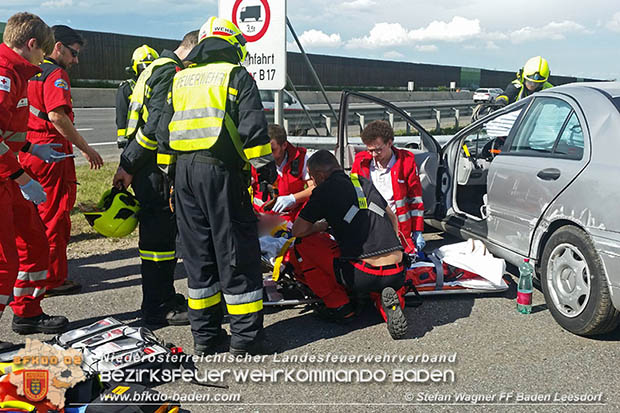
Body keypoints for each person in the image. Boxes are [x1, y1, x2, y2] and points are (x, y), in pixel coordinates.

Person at [156, 17, 276, 355]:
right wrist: (265, 172)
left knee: (198, 256)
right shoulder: (236, 76)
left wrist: (170, 175)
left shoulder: (180, 79)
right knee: (235, 251)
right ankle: (246, 340)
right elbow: (253, 130)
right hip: (221, 174)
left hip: (183, 176)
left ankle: (206, 339)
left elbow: (163, 134)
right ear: (234, 44)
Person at [112, 31, 199, 327]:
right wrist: (129, 164)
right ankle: (157, 307)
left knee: (157, 243)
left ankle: (163, 297)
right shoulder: (170, 72)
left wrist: (128, 163)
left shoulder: (154, 67)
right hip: (154, 171)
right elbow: (155, 129)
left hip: (144, 169)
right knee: (159, 245)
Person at [1, 12, 70, 344]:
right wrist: (21, 176)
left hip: (9, 174)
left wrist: (30, 146)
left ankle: (27, 313)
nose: (44, 58)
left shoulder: (17, 72)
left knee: (35, 242)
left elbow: (6, 131)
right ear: (31, 45)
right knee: (5, 261)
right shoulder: (4, 74)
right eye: (42, 51)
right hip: (6, 176)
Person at [21, 25, 104, 298]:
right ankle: (53, 278)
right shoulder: (56, 74)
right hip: (51, 153)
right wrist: (86, 148)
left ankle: (29, 275)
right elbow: (57, 116)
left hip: (26, 150)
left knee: (29, 220)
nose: (75, 60)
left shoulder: (27, 70)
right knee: (55, 218)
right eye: (73, 53)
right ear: (57, 47)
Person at [292, 150, 409, 339]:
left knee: (304, 244)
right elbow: (391, 216)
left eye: (312, 179)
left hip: (361, 274)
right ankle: (387, 302)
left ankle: (339, 307)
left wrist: (321, 226)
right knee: (377, 263)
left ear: (320, 176)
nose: (312, 183)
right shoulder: (362, 181)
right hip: (398, 270)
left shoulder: (323, 190)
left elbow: (298, 230)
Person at [351, 120, 425, 254]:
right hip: (370, 226)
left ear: (390, 143)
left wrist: (417, 230)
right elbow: (354, 196)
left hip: (400, 230)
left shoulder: (406, 162)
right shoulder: (360, 162)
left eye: (378, 150)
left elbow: (415, 199)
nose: (374, 155)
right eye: (370, 150)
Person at [252, 123, 314, 221]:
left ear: (284, 145)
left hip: (291, 218)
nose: (268, 155)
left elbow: (314, 188)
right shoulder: (256, 161)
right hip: (261, 218)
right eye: (265, 150)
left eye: (272, 150)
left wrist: (292, 198)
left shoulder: (300, 159)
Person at [115, 45, 159, 149]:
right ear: (134, 68)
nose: (147, 71)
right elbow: (122, 113)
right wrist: (122, 136)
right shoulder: (127, 87)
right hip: (134, 139)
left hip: (154, 136)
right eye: (143, 68)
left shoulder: (159, 86)